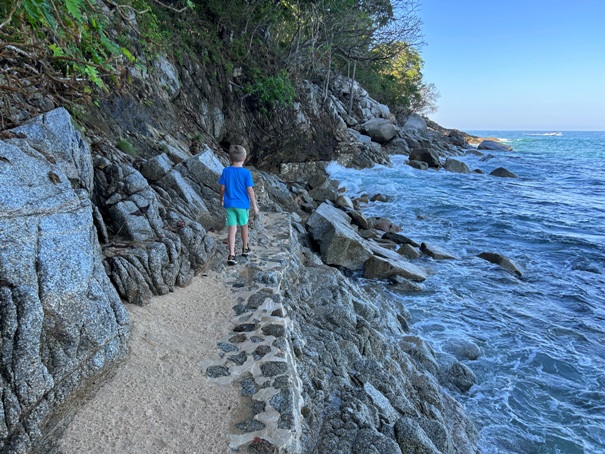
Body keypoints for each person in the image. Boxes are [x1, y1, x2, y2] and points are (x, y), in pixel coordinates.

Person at [218, 145, 259, 265]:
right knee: (244, 226)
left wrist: (222, 199)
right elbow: (250, 190)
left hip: (230, 204)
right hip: (242, 205)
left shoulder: (226, 171)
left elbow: (222, 187)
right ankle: (245, 248)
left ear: (230, 159)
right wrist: (255, 206)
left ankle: (231, 255)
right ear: (244, 158)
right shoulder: (246, 173)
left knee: (232, 229)